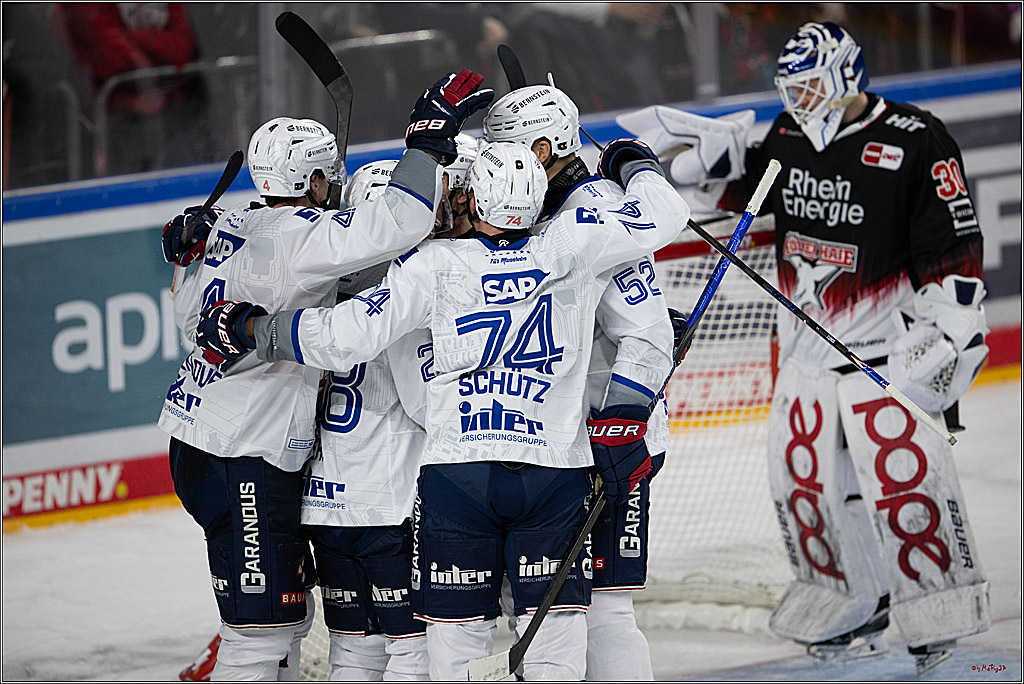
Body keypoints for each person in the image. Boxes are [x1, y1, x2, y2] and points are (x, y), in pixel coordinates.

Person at [192, 138, 691, 680]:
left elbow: (340, 337)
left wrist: (254, 328)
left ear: (474, 203)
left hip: (458, 479)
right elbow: (665, 213)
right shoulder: (574, 245)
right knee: (555, 645)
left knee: (453, 652)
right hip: (552, 476)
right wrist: (635, 165)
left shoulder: (432, 265)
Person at [619, 21, 990, 675]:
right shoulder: (788, 136)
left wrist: (953, 328)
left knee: (906, 488)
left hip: (885, 358)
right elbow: (748, 192)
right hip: (805, 354)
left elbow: (952, 244)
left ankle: (939, 608)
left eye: (813, 84)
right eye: (791, 86)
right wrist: (699, 164)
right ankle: (848, 597)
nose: (802, 99)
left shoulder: (915, 139)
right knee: (804, 487)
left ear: (848, 74)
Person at [158, 69, 493, 680]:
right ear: (312, 180)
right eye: (326, 176)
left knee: (285, 628)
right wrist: (425, 142)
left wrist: (183, 253)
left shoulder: (224, 227)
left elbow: (190, 319)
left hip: (201, 440)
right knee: (260, 638)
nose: (333, 186)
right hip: (248, 454)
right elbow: (402, 220)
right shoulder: (308, 238)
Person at [483, 83, 677, 681]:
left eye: (507, 151)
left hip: (611, 442)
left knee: (605, 609)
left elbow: (647, 332)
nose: (495, 168)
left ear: (542, 149)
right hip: (555, 445)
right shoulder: (536, 207)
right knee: (549, 608)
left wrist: (621, 428)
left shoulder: (591, 211)